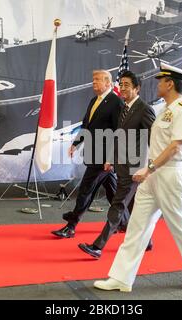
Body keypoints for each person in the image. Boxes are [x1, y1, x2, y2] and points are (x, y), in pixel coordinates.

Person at [93, 64, 182, 292]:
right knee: (137, 227)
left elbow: (176, 146)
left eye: (161, 81)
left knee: (179, 226)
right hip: (153, 175)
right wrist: (148, 169)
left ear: (169, 84)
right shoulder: (165, 110)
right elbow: (156, 145)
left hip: (169, 175)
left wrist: (148, 168)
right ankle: (121, 277)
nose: (157, 85)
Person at [78, 71, 156, 259]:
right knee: (130, 206)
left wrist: (149, 167)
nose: (122, 88)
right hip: (121, 165)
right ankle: (147, 241)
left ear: (137, 88)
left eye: (126, 85)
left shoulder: (144, 109)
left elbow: (154, 140)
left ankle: (98, 246)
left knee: (118, 204)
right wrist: (111, 159)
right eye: (120, 84)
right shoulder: (124, 108)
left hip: (135, 167)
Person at [51, 70, 124, 239]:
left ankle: (71, 225)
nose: (94, 82)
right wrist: (76, 143)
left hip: (104, 157)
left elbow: (119, 133)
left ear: (108, 83)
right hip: (93, 153)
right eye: (93, 79)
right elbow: (86, 126)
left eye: (97, 80)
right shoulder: (94, 101)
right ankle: (125, 222)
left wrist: (112, 158)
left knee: (86, 189)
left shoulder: (116, 102)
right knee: (112, 192)